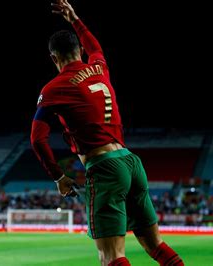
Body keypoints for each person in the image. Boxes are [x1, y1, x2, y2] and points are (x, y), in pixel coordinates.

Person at [30, 1, 184, 265]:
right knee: (155, 245)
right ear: (79, 50)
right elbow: (96, 47)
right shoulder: (100, 68)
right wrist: (75, 19)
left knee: (110, 256)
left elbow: (37, 138)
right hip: (131, 162)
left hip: (105, 168)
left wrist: (58, 176)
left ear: (54, 59)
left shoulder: (54, 88)